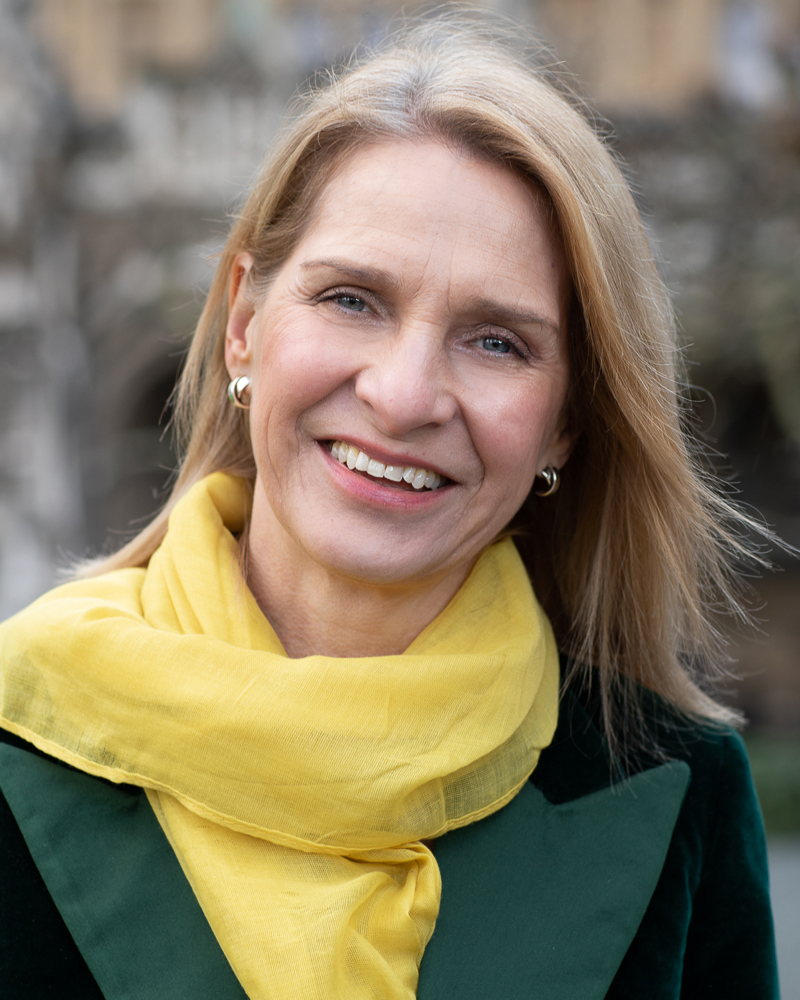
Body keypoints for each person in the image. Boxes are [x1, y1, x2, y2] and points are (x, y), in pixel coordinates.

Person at [0, 11, 780, 999]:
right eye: (351, 299)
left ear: (564, 423)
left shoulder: (679, 790)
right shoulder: (17, 735)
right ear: (244, 323)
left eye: (497, 340)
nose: (404, 395)